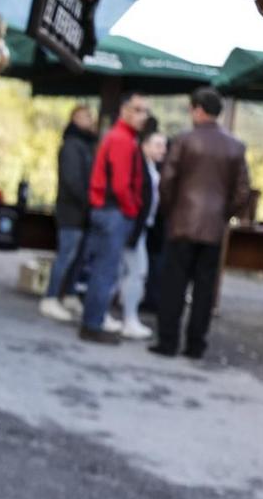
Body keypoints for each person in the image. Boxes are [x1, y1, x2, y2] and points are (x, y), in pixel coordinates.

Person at [152, 88, 251, 360]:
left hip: (182, 223)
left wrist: (171, 211)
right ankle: (196, 345)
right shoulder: (235, 146)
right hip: (214, 228)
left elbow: (167, 182)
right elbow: (243, 191)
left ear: (197, 109)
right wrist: (223, 213)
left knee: (174, 285)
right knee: (204, 290)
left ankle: (167, 341)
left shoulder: (184, 140)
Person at [79, 94, 150, 344]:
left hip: (108, 211)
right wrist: (131, 209)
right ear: (125, 110)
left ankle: (92, 321)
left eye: (145, 111)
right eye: (138, 110)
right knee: (105, 271)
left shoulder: (121, 138)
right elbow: (120, 184)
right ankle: (93, 323)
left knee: (103, 269)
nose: (143, 116)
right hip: (113, 212)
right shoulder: (122, 140)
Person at [39, 105, 97, 322]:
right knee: (67, 255)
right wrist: (89, 202)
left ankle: (69, 294)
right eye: (84, 116)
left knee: (78, 257)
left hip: (81, 211)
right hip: (71, 211)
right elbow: (73, 181)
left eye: (90, 115)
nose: (90, 120)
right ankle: (51, 296)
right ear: (74, 119)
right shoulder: (72, 146)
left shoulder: (87, 145)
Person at [116, 127, 166, 341]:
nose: (162, 149)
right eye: (157, 145)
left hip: (143, 226)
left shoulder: (154, 168)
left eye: (164, 145)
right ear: (144, 145)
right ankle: (129, 318)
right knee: (135, 271)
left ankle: (127, 316)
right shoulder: (138, 167)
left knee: (132, 271)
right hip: (134, 225)